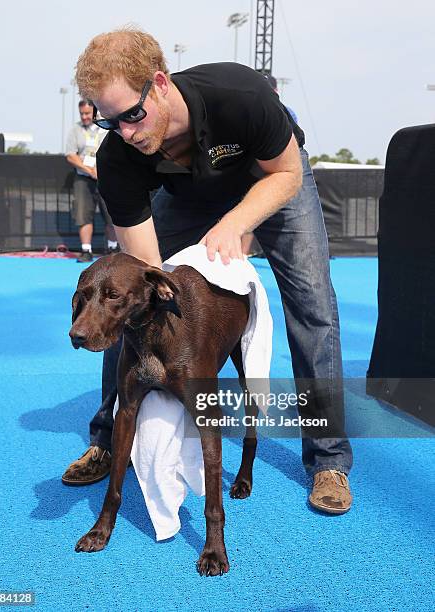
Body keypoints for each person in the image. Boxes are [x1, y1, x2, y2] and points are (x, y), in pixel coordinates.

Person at [62, 27, 353, 514]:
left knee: (314, 308)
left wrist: (237, 224)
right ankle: (109, 441)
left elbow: (286, 173)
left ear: (159, 83)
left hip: (274, 180)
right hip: (189, 197)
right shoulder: (118, 155)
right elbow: (144, 275)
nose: (128, 133)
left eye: (133, 114)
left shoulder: (239, 96)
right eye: (111, 123)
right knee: (126, 302)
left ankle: (328, 459)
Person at [65, 100, 119, 262]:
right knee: (83, 215)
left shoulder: (108, 126)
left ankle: (112, 248)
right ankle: (86, 250)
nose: (84, 117)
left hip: (108, 178)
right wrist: (89, 170)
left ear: (95, 112)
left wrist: (102, 170)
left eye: (87, 113)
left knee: (113, 215)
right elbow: (70, 155)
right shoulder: (76, 130)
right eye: (82, 113)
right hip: (83, 179)